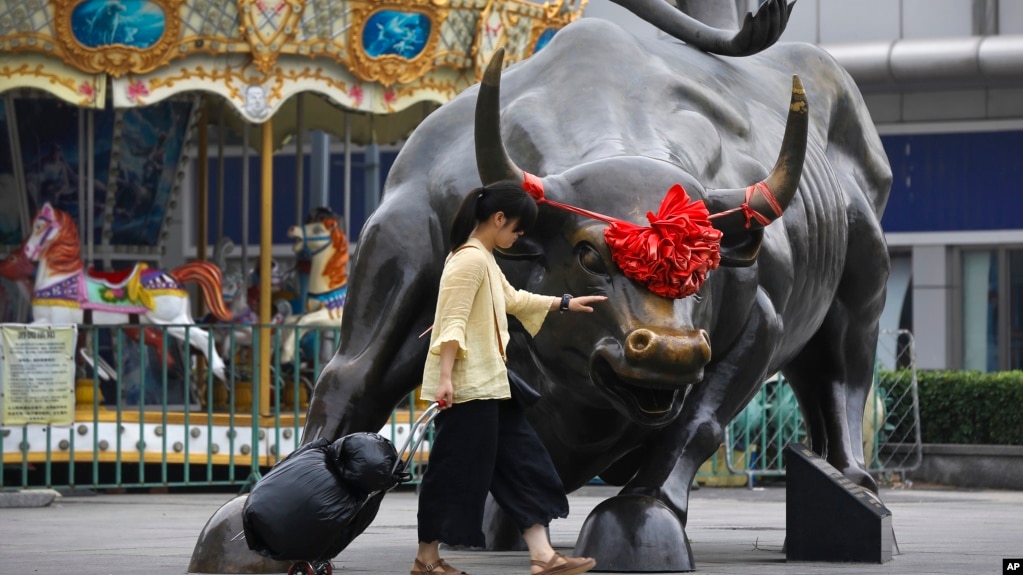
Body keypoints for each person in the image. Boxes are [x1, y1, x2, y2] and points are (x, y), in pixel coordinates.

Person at [413, 182, 607, 575]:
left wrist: (565, 302)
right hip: (470, 391)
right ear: (499, 219)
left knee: (525, 465)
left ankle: (543, 556)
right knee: (455, 471)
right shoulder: (468, 261)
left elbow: (514, 300)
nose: (516, 238)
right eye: (517, 230)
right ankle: (426, 559)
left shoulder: (482, 258)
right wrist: (445, 378)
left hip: (494, 386)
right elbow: (451, 324)